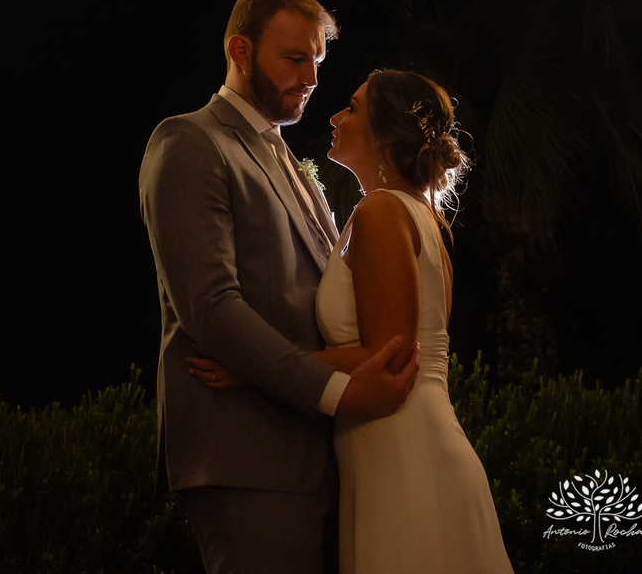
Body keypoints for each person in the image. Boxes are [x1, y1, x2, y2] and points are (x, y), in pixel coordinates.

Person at [139, 0, 419, 574]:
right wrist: (337, 391)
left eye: (317, 61)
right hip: (246, 458)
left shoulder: (290, 160)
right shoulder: (190, 141)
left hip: (318, 456)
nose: (312, 78)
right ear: (240, 52)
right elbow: (211, 307)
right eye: (295, 58)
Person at [192, 69, 514, 573]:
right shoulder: (414, 214)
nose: (336, 116)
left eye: (353, 107)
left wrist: (253, 368)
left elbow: (388, 354)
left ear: (385, 133)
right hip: (395, 443)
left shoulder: (382, 212)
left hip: (403, 449)